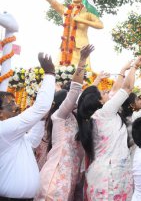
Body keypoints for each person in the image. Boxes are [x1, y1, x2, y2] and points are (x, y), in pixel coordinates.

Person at [76, 54, 141, 200]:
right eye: (103, 93)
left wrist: (122, 70)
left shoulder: (95, 117)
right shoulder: (105, 112)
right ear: (99, 101)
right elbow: (127, 88)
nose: (107, 93)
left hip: (105, 175)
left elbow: (116, 90)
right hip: (112, 177)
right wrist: (135, 66)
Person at [34, 45, 94, 201]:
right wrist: (82, 60)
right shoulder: (59, 117)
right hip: (53, 183)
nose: (75, 100)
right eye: (69, 100)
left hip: (69, 183)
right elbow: (75, 91)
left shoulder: (78, 120)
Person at [0, 53, 55, 200]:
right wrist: (50, 74)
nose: (17, 106)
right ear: (0, 113)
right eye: (10, 104)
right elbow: (41, 107)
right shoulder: (3, 129)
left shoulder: (12, 134)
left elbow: (32, 141)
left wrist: (40, 120)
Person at [25, 0, 103, 67]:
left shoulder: (87, 13)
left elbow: (100, 25)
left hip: (80, 48)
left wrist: (82, 20)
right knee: (57, 72)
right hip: (65, 48)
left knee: (82, 75)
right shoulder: (65, 11)